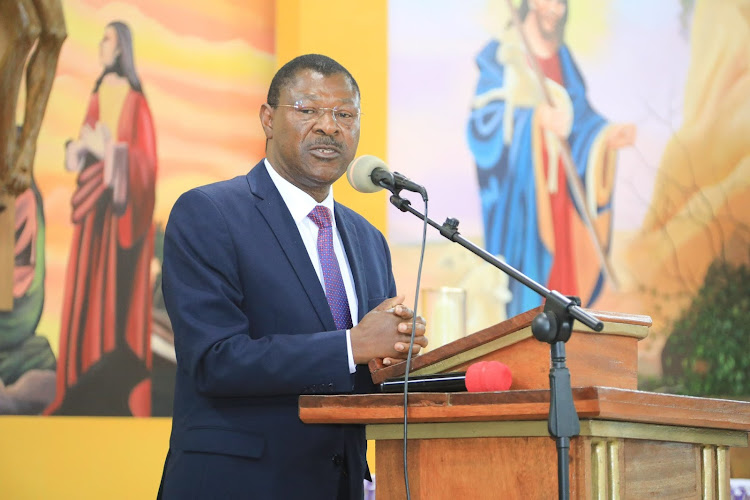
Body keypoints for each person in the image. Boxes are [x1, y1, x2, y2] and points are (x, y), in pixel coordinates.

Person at [157, 54, 427, 500]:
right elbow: (214, 360)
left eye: (344, 115)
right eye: (308, 110)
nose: (329, 127)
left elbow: (364, 373)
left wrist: (395, 358)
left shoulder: (368, 240)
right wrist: (353, 345)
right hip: (237, 486)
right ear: (267, 118)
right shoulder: (210, 213)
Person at [467, 0, 636, 318]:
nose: (555, 9)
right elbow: (483, 123)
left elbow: (581, 119)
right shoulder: (502, 54)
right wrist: (534, 119)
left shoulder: (562, 58)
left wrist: (605, 136)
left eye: (560, 2)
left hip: (562, 200)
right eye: (548, 0)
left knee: (564, 280)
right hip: (524, 202)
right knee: (528, 283)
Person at [45, 21, 157, 416]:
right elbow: (88, 138)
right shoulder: (97, 93)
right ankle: (82, 366)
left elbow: (144, 165)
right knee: (88, 285)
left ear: (121, 48)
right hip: (95, 213)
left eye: (107, 40)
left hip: (119, 214)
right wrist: (79, 149)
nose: (101, 47)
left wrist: (111, 154)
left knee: (114, 290)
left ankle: (110, 358)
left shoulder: (135, 100)